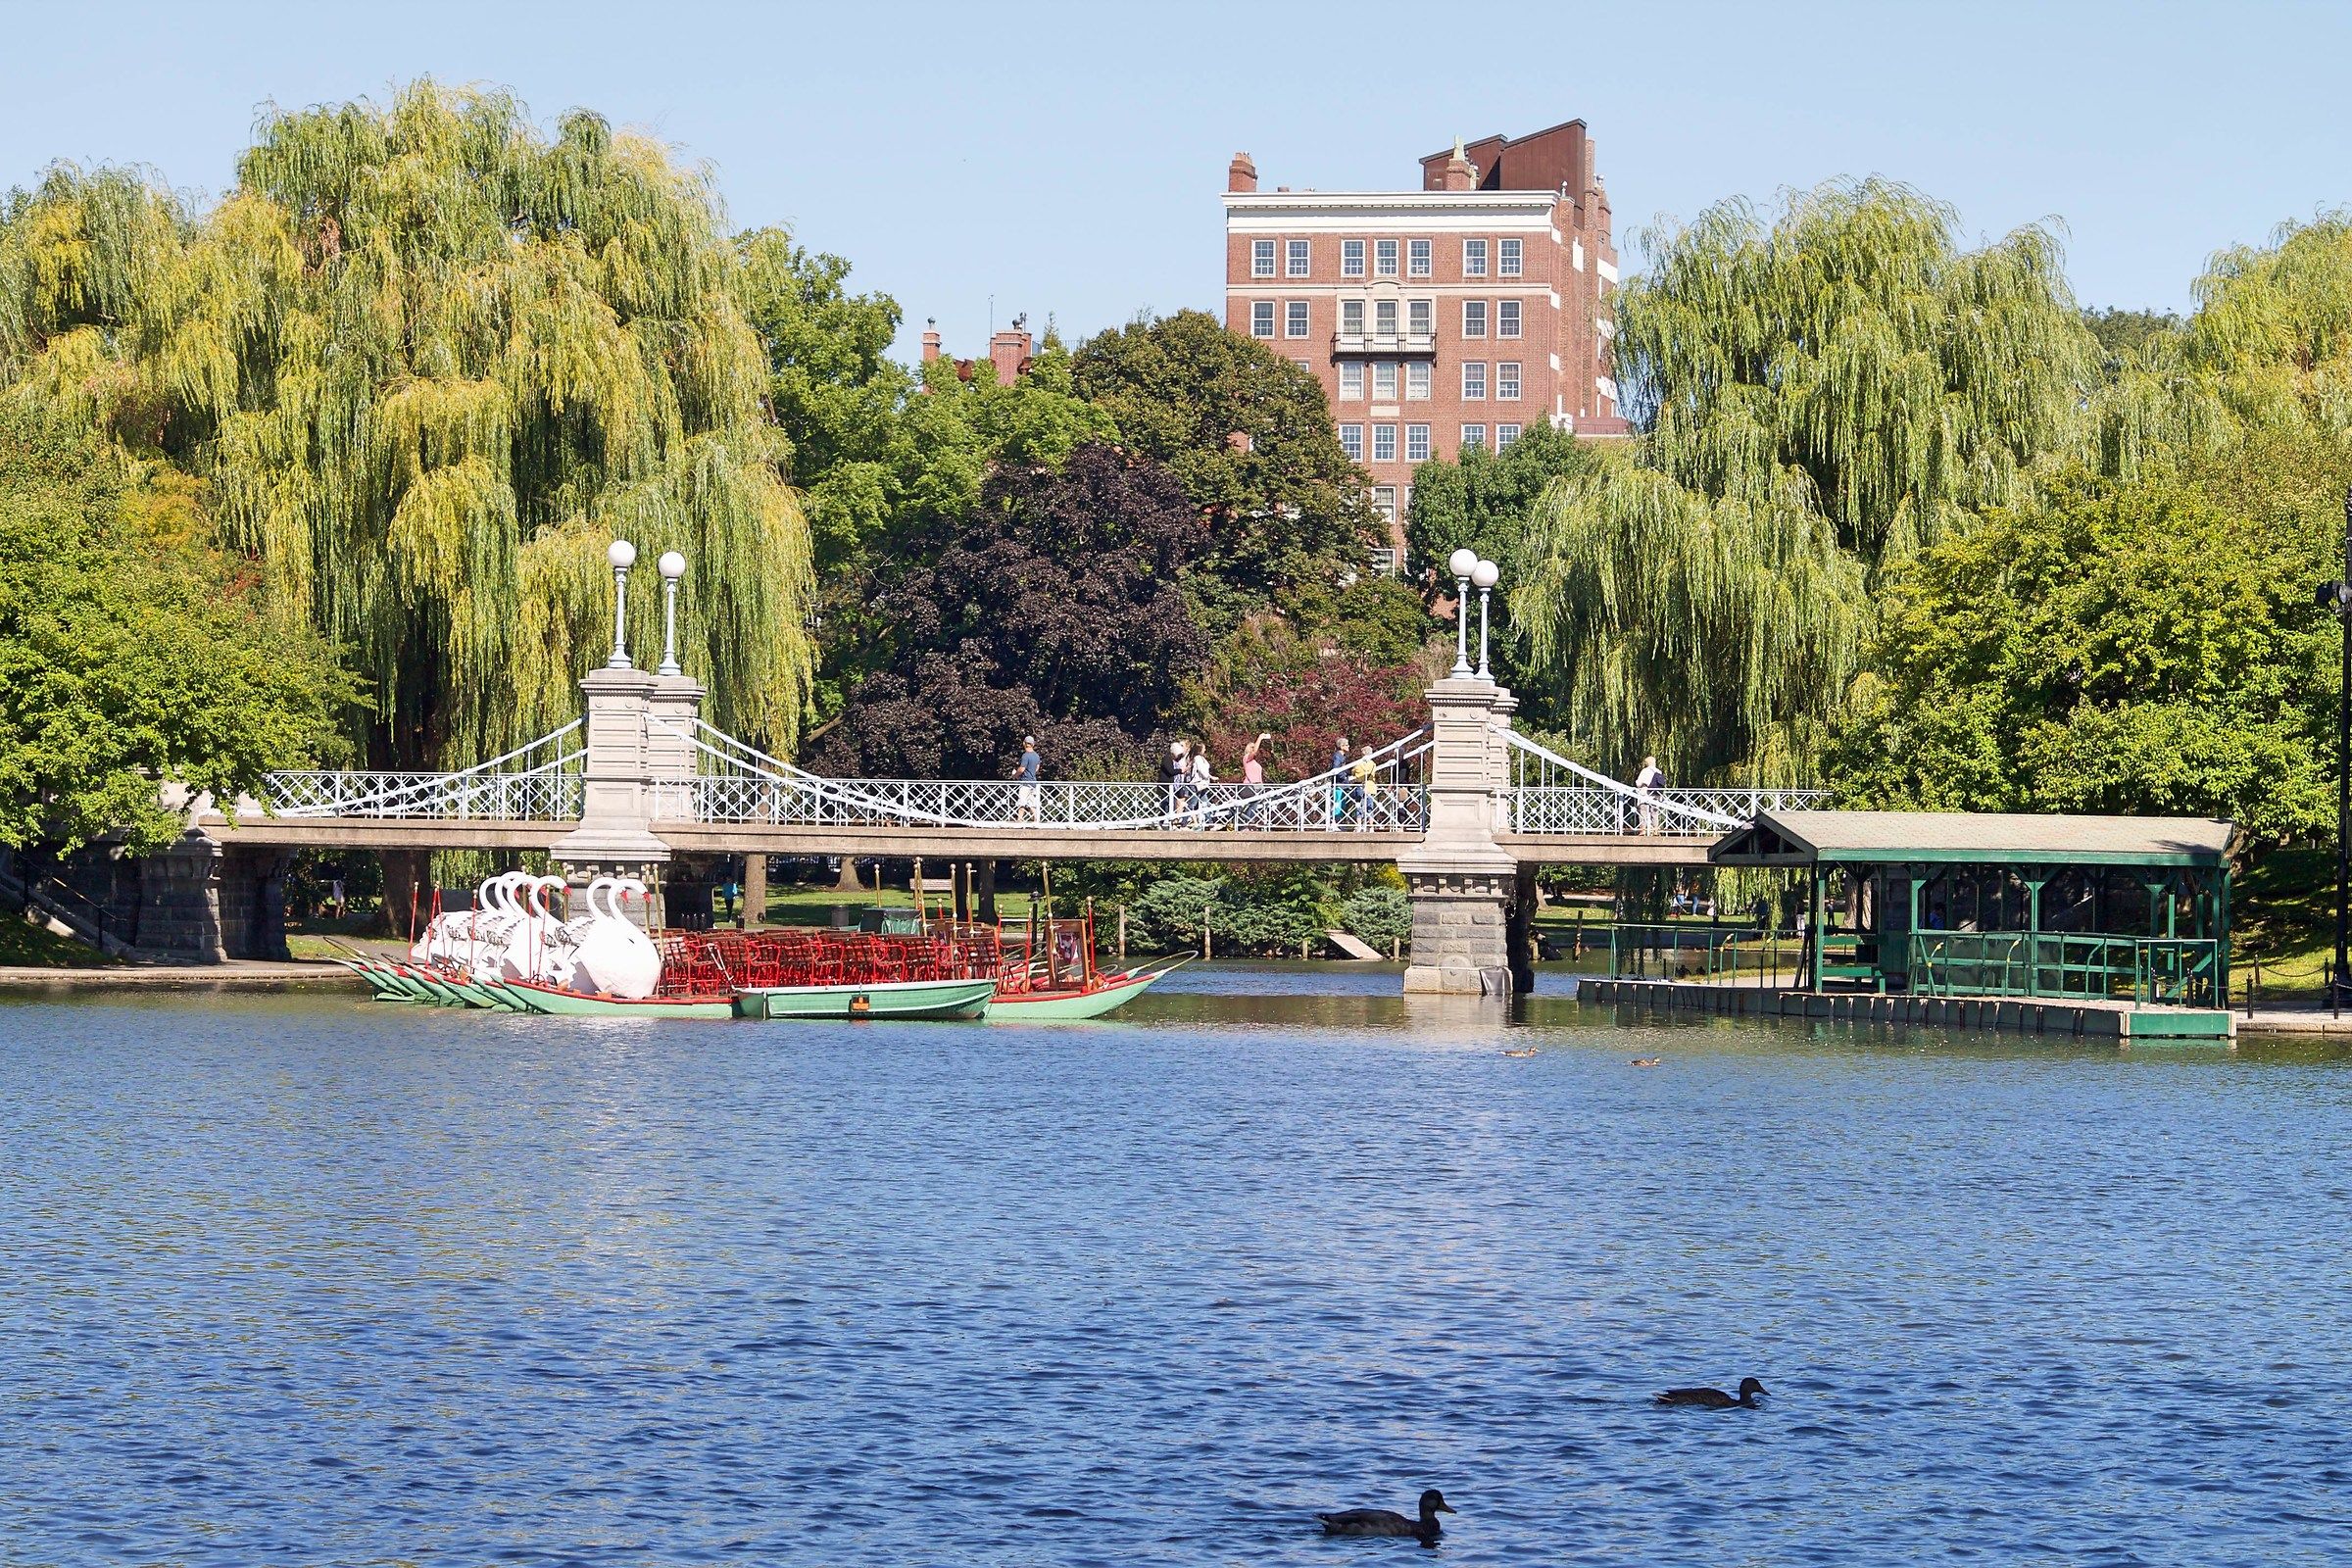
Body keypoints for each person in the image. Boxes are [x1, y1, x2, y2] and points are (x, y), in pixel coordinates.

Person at [1241, 733, 1270, 825]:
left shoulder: (1254, 761)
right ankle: (1249, 822)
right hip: (1250, 786)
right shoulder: (1246, 758)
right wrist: (1260, 738)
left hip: (1258, 786)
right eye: (1252, 747)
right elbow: (1254, 752)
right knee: (1253, 804)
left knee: (1254, 804)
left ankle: (1248, 821)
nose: (1254, 748)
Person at [1349, 744, 1380, 830]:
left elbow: (1353, 771)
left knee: (1358, 805)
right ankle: (1371, 826)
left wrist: (1355, 776)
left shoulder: (1358, 763)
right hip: (1370, 785)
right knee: (1369, 806)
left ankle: (1359, 824)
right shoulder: (1373, 764)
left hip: (1360, 785)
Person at [1635, 754, 1666, 835]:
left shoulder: (1644, 771)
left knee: (1643, 812)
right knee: (1655, 813)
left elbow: (1638, 783)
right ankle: (1655, 830)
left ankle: (1643, 830)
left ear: (1646, 763)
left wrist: (1638, 783)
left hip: (1645, 795)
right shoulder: (1658, 771)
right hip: (1656, 795)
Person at [1015, 735, 1043, 823]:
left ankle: (1019, 819)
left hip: (1025, 782)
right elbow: (1037, 768)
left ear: (1024, 744)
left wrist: (1015, 775)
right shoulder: (1036, 756)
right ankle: (1036, 818)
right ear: (1033, 744)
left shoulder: (1025, 756)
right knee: (1031, 802)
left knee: (1022, 800)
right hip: (1033, 781)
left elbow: (1022, 769)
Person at [1328, 736, 1351, 829]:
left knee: (1342, 804)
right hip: (1339, 784)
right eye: (1347, 745)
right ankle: (1336, 823)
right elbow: (1336, 769)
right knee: (1338, 803)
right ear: (1342, 746)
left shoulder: (1342, 756)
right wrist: (1344, 777)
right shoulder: (1338, 756)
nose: (1349, 746)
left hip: (1342, 784)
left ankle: (1340, 824)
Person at [1190, 745, 1215, 827]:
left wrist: (1210, 777)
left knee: (1205, 803)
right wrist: (1208, 777)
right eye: (1204, 748)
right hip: (1197, 783)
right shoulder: (1197, 758)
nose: (1205, 749)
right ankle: (1184, 821)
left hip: (1202, 784)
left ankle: (1209, 822)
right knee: (1192, 804)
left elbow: (1205, 771)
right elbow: (1202, 770)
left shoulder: (1202, 758)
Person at [1169, 739, 1195, 816]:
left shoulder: (1189, 759)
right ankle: (1180, 820)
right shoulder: (1178, 758)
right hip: (1177, 783)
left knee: (1181, 802)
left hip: (1185, 782)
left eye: (1182, 746)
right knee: (1179, 802)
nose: (1180, 748)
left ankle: (1178, 820)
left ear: (1187, 748)